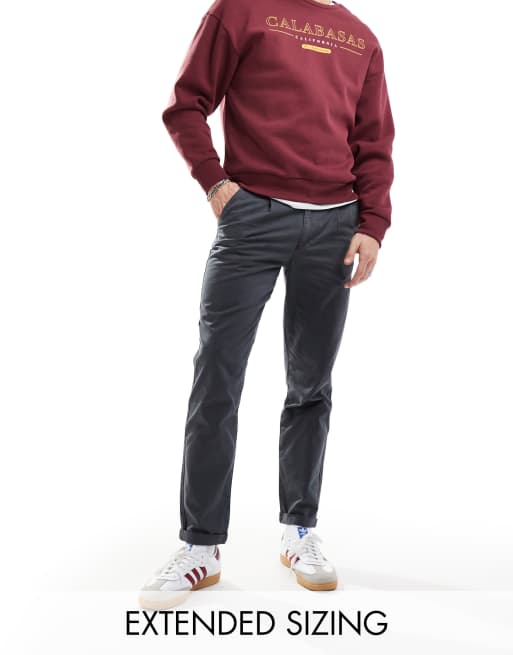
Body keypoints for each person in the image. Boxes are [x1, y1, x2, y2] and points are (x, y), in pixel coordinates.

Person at [139, 0, 394, 609]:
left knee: (311, 385)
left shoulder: (359, 37)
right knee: (217, 376)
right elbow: (185, 105)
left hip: (335, 227)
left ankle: (298, 531)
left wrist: (373, 224)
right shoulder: (240, 10)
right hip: (252, 218)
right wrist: (216, 183)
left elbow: (374, 140)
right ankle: (201, 546)